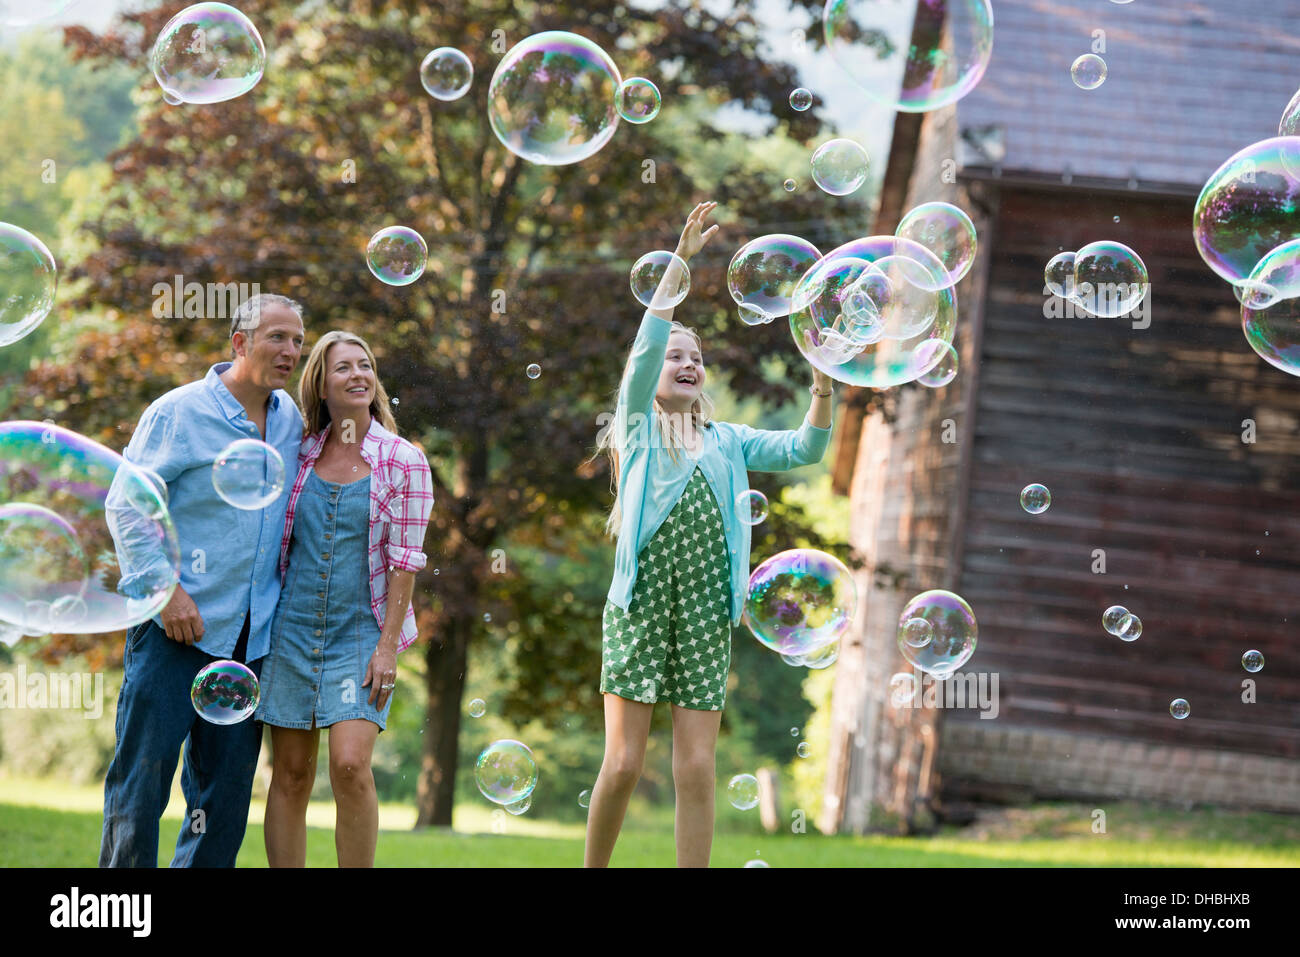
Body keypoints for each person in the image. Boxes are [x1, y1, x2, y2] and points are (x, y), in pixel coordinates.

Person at [585, 202, 835, 867]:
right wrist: (679, 267)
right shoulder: (637, 432)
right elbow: (641, 357)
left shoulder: (728, 441)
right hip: (638, 607)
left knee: (697, 767)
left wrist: (822, 389)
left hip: (702, 611)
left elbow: (805, 447)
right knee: (625, 762)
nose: (686, 362)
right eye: (675, 356)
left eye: (695, 356)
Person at [100, 293, 307, 867]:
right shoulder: (179, 412)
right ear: (239, 343)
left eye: (296, 340)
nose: (290, 350)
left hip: (250, 641)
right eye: (276, 337)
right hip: (173, 632)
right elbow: (127, 505)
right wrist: (167, 592)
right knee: (140, 786)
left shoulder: (291, 418)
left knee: (223, 802)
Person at [257, 330, 433, 868]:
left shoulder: (404, 461)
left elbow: (406, 563)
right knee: (289, 774)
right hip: (291, 629)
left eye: (366, 365)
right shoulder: (299, 452)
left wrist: (386, 649)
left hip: (362, 632)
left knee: (351, 767)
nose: (358, 374)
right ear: (322, 383)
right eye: (343, 368)